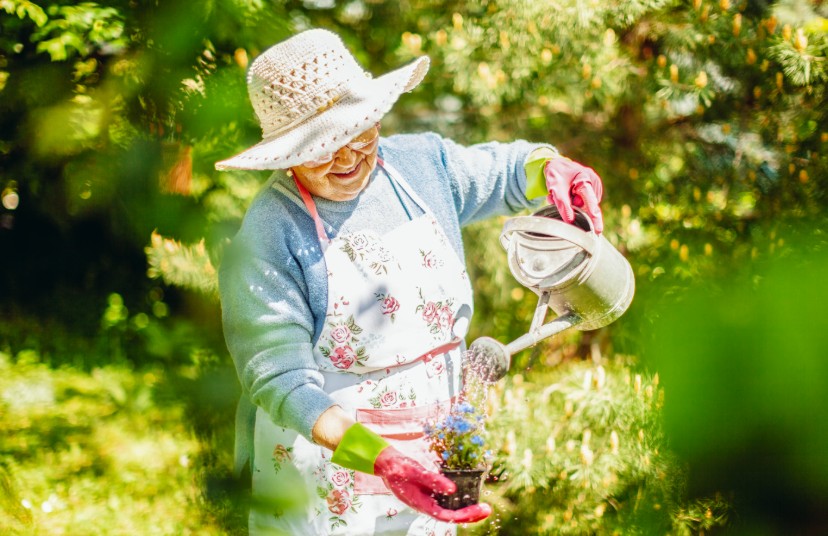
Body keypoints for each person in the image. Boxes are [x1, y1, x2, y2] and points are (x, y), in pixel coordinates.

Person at [215, 28, 604, 536]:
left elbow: (507, 174)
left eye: (359, 133)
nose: (349, 158)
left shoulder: (420, 164)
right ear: (287, 154)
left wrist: (556, 169)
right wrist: (378, 460)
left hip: (433, 452)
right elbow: (280, 379)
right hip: (332, 468)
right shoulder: (270, 232)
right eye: (321, 151)